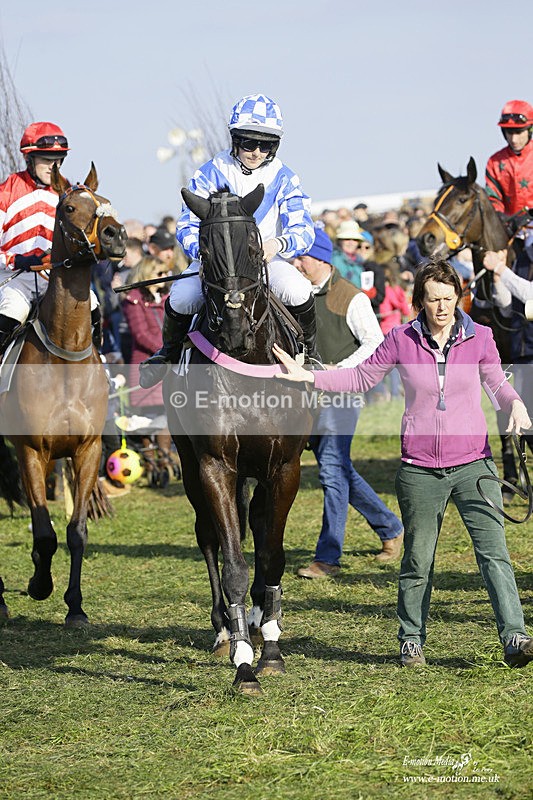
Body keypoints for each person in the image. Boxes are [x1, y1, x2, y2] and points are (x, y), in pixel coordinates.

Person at [273, 259, 533, 669]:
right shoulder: (400, 339)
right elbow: (360, 378)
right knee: (418, 559)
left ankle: (515, 636)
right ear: (421, 302)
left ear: (458, 297)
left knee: (495, 554)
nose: (443, 307)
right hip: (420, 470)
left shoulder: (479, 337)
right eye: (434, 299)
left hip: (474, 466)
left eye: (449, 298)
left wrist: (514, 404)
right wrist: (310, 377)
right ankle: (411, 640)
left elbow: (497, 381)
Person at [139, 93, 317, 388]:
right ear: (235, 138)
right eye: (249, 142)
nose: (257, 151)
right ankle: (167, 355)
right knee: (182, 298)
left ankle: (310, 357)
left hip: (263, 261)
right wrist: (207, 254)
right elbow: (186, 225)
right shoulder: (210, 171)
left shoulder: (285, 177)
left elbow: (305, 229)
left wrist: (278, 245)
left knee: (299, 291)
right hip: (216, 265)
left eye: (267, 145)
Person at [292, 228, 404, 578]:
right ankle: (390, 528)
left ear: (321, 258)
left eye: (301, 257)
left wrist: (339, 369)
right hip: (307, 398)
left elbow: (375, 342)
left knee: (331, 469)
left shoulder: (351, 297)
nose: (296, 263)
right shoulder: (294, 295)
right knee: (341, 470)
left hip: (343, 394)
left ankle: (328, 557)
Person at [0, 122, 100, 353]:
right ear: (29, 159)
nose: (52, 166)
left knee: (92, 302)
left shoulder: (67, 196)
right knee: (13, 309)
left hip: (54, 280)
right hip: (14, 279)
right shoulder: (5, 193)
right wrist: (18, 261)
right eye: (45, 159)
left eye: (57, 160)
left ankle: (99, 363)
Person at [485, 100, 533, 231]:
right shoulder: (494, 162)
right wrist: (500, 217)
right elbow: (492, 197)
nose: (514, 139)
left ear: (530, 130)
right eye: (509, 132)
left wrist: (529, 216)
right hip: (508, 226)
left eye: (519, 132)